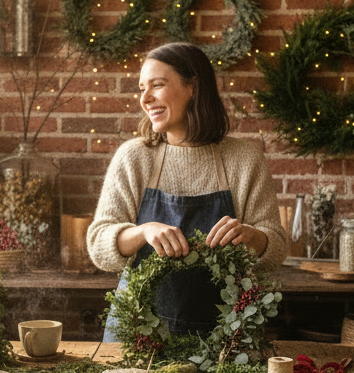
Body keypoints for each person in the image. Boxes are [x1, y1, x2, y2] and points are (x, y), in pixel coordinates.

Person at [88, 42, 286, 340]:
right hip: (136, 334)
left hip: (222, 337)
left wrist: (254, 237)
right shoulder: (134, 157)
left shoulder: (244, 159)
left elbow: (277, 246)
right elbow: (98, 242)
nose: (145, 98)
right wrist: (144, 232)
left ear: (192, 86)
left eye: (157, 85)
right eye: (142, 88)